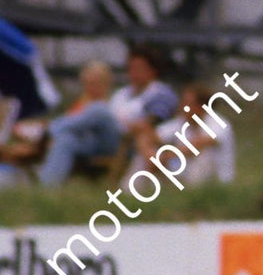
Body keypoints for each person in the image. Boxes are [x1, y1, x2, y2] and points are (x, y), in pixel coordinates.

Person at [37, 45, 177, 185]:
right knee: (66, 139)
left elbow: (149, 125)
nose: (134, 73)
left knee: (98, 109)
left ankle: (46, 131)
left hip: (126, 142)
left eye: (139, 68)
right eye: (131, 68)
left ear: (153, 70)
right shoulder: (123, 93)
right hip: (102, 137)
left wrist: (125, 124)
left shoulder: (159, 93)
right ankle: (45, 189)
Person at [130, 83, 236, 186]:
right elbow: (148, 136)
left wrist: (164, 157)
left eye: (188, 103)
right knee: (142, 158)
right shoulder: (181, 122)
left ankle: (196, 192)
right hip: (182, 175)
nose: (182, 107)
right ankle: (130, 194)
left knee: (204, 154)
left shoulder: (218, 123)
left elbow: (199, 144)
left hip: (215, 181)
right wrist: (149, 155)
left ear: (202, 107)